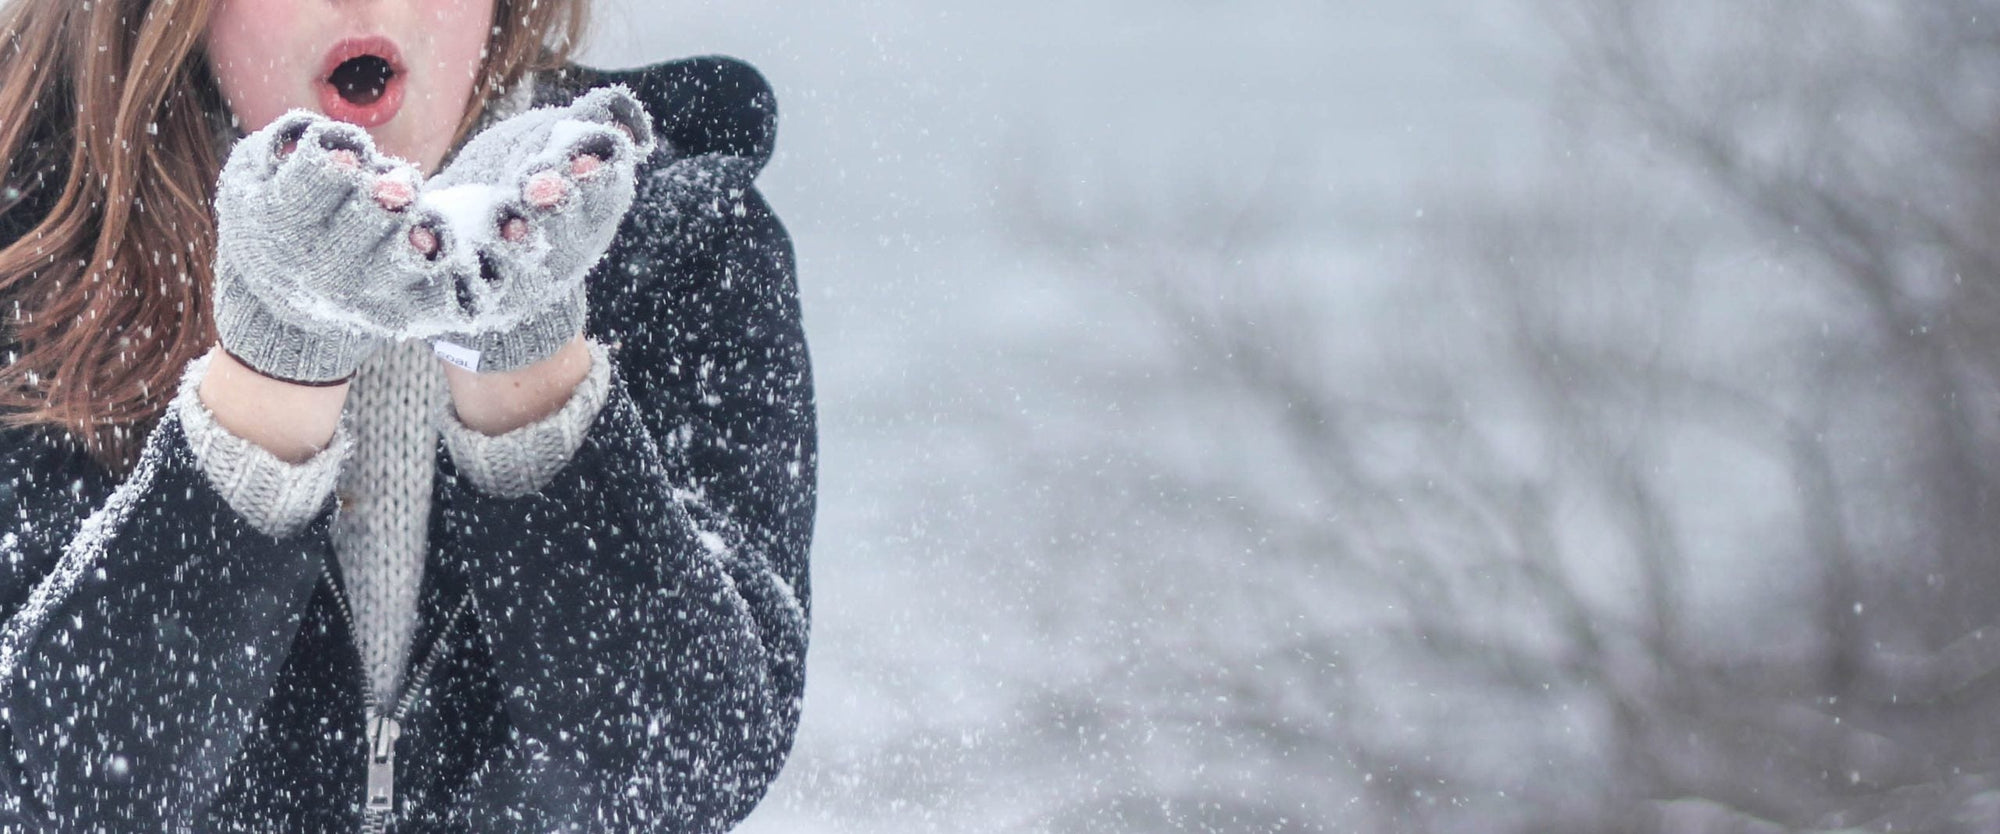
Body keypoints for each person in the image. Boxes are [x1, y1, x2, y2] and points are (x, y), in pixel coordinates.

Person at [0, 0, 816, 830]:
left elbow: (694, 764)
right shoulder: (32, 265)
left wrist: (525, 359)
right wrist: (271, 377)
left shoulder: (685, 245)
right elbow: (57, 791)